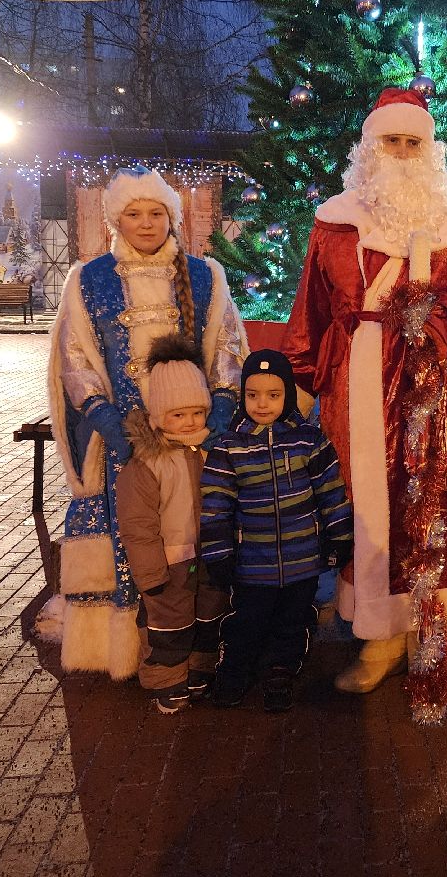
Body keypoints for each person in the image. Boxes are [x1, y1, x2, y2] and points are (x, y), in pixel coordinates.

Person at [282, 87, 447, 722]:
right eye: (391, 141)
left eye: (413, 142)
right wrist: (300, 376)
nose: (402, 153)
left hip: (427, 380)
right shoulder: (334, 220)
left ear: (429, 151)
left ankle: (426, 630)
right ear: (370, 146)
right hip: (357, 378)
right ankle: (379, 638)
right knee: (367, 505)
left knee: (426, 502)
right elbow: (313, 309)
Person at [44, 167, 247, 679]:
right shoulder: (88, 282)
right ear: (117, 219)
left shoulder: (205, 276)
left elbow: (226, 348)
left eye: (156, 213)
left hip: (192, 438)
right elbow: (77, 361)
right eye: (134, 214)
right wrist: (110, 423)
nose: (146, 223)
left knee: (194, 535)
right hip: (125, 446)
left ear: (171, 217)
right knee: (133, 535)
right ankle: (131, 649)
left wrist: (219, 413)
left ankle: (197, 643)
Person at [199, 349, 353, 712]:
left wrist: (340, 535)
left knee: (293, 619)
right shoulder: (228, 446)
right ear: (242, 396)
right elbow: (215, 507)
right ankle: (235, 671)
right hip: (252, 562)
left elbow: (331, 491)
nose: (262, 404)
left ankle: (282, 668)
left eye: (273, 395)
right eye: (252, 395)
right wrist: (219, 553)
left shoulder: (307, 440)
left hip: (302, 560)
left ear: (286, 394)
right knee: (246, 621)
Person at [115, 334, 229, 714]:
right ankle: (167, 680)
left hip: (212, 555)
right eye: (178, 415)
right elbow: (138, 524)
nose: (190, 422)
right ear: (159, 417)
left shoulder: (213, 451)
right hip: (169, 563)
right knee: (169, 625)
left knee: (208, 615)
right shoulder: (147, 464)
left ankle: (200, 670)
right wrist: (150, 574)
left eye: (197, 412)